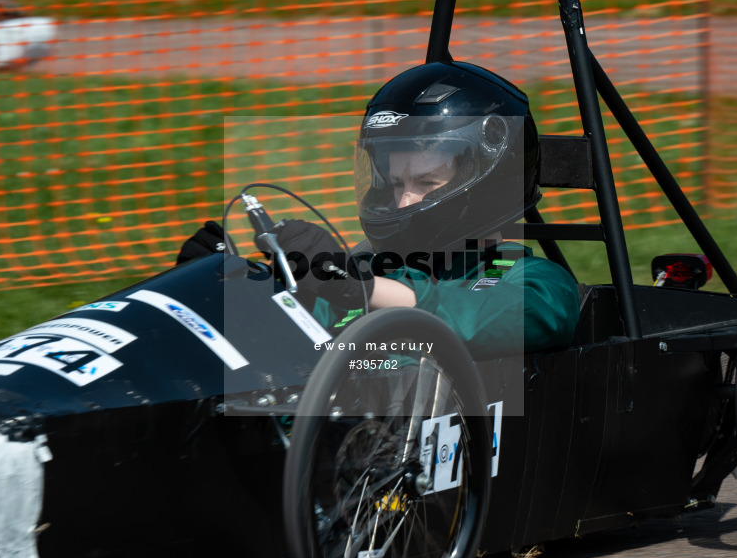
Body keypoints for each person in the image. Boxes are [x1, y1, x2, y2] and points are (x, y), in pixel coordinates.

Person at [178, 61, 579, 360]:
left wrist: (360, 287)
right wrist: (238, 290)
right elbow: (290, 338)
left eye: (425, 184)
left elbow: (476, 321)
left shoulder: (539, 286)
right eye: (392, 185)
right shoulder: (368, 265)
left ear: (488, 183)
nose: (402, 203)